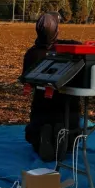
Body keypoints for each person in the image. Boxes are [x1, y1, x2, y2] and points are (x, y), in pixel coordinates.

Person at [21, 11, 82, 161]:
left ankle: (43, 134)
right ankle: (63, 135)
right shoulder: (68, 48)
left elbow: (25, 80)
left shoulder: (31, 54)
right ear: (56, 30)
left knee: (32, 134)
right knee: (72, 140)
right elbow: (80, 47)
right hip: (68, 109)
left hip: (41, 109)